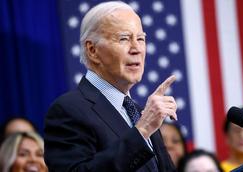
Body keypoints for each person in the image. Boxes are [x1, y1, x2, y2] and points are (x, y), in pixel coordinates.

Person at [44, 1, 176, 171]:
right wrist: (142, 130)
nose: (136, 49)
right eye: (123, 39)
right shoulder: (68, 110)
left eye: (141, 39)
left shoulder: (138, 112)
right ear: (92, 50)